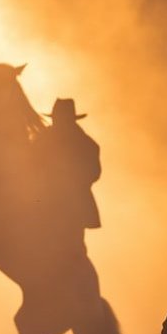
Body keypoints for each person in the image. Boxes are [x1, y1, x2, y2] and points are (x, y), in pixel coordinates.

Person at [37, 98, 102, 233]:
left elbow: (94, 172)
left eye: (59, 119)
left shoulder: (86, 144)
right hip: (52, 202)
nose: (56, 122)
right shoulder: (45, 138)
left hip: (71, 205)